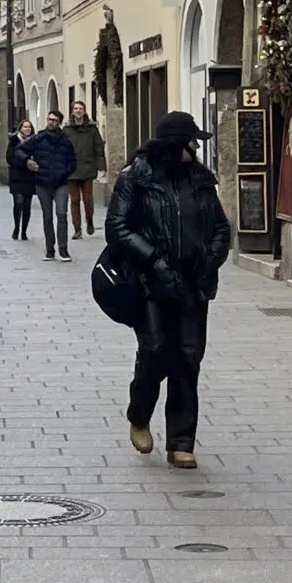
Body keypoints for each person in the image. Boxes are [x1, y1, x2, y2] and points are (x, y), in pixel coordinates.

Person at [104, 111, 231, 470]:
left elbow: (221, 226)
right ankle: (140, 412)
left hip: (194, 283)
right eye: (192, 141)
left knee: (188, 358)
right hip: (151, 284)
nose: (196, 147)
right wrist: (154, 260)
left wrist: (212, 257)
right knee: (156, 350)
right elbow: (117, 228)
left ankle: (180, 442)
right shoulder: (136, 178)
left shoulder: (200, 180)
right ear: (176, 144)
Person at [27, 110, 78, 262]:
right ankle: (50, 250)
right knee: (47, 217)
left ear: (59, 122)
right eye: (49, 119)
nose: (51, 122)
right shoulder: (38, 138)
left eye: (54, 120)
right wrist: (28, 162)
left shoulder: (65, 141)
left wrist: (65, 173)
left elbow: (73, 161)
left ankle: (63, 249)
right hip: (42, 183)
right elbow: (19, 151)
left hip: (60, 183)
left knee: (61, 214)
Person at [65, 99, 108, 239]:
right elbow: (60, 149)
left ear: (84, 111)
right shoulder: (66, 130)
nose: (78, 111)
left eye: (80, 109)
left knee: (88, 199)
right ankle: (77, 229)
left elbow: (99, 147)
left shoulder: (92, 129)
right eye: (76, 108)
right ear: (72, 111)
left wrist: (101, 166)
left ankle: (89, 221)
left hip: (88, 167)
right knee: (75, 200)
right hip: (71, 170)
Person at [6, 120, 38, 242]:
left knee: (27, 205)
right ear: (20, 128)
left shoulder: (34, 141)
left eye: (29, 127)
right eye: (25, 127)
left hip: (29, 178)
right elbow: (9, 158)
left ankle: (24, 231)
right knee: (18, 202)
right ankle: (16, 228)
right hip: (17, 176)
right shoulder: (14, 141)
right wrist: (23, 164)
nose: (27, 129)